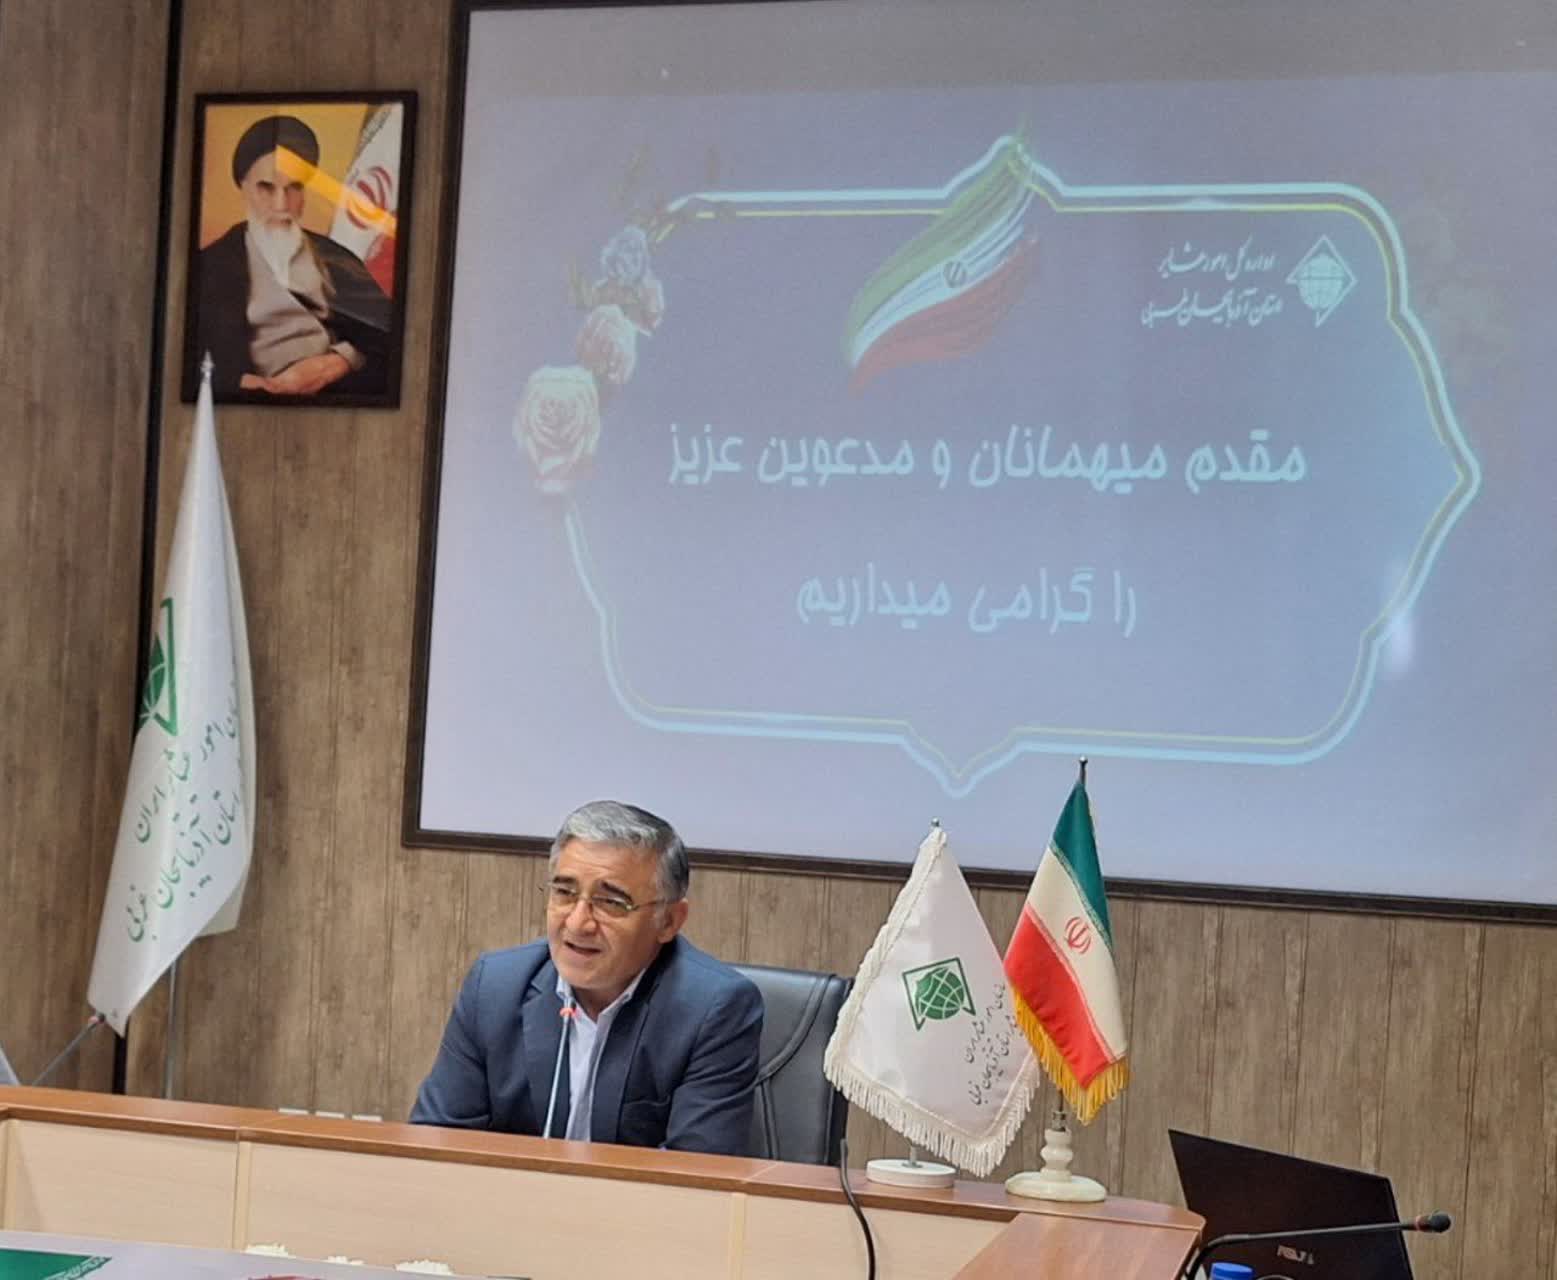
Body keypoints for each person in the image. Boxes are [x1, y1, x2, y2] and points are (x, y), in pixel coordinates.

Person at [410, 800, 764, 1155]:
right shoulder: (494, 987)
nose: (578, 923)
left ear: (669, 921)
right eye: (564, 893)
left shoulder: (714, 1009)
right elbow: (438, 1142)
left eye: (611, 902)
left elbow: (694, 1170)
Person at [193, 114, 391, 398]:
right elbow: (188, 359)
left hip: (337, 399)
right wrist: (247, 385)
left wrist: (340, 361)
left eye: (294, 187)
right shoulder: (209, 266)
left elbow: (388, 336)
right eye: (266, 187)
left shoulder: (335, 258)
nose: (281, 204)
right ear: (243, 187)